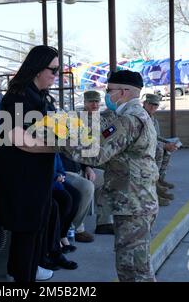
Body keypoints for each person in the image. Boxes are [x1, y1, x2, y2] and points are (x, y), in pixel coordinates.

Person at [61, 70, 159, 282]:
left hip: (133, 203)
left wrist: (60, 139)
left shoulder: (128, 121)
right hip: (138, 200)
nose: (106, 95)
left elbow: (96, 153)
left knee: (134, 269)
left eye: (109, 90)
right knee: (134, 264)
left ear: (123, 92)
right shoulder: (138, 116)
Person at [0, 45, 59, 282]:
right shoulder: (18, 97)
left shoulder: (39, 95)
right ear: (38, 68)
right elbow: (20, 140)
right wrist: (62, 147)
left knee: (35, 229)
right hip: (20, 177)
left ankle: (24, 274)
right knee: (26, 232)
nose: (56, 74)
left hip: (37, 175)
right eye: (53, 69)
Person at [81, 90, 114, 234]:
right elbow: (77, 147)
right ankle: (104, 222)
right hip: (87, 163)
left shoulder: (100, 118)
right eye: (91, 102)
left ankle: (106, 221)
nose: (94, 104)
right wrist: (87, 166)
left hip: (101, 159)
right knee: (109, 178)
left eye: (96, 101)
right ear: (85, 103)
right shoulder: (80, 121)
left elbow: (108, 134)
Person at [143, 93, 177, 197]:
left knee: (168, 150)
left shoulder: (153, 119)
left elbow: (156, 136)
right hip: (143, 147)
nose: (153, 107)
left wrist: (168, 142)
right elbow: (144, 138)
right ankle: (154, 184)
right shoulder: (141, 117)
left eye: (156, 105)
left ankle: (159, 179)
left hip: (152, 144)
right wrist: (163, 145)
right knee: (160, 149)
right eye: (151, 104)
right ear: (144, 103)